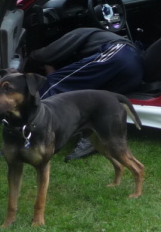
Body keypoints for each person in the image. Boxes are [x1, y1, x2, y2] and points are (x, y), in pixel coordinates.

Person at [28, 28, 143, 160]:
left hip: (119, 54)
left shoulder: (78, 32)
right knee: (96, 102)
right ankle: (92, 136)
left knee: (54, 81)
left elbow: (45, 55)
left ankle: (29, 126)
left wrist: (30, 58)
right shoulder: (97, 40)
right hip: (136, 70)